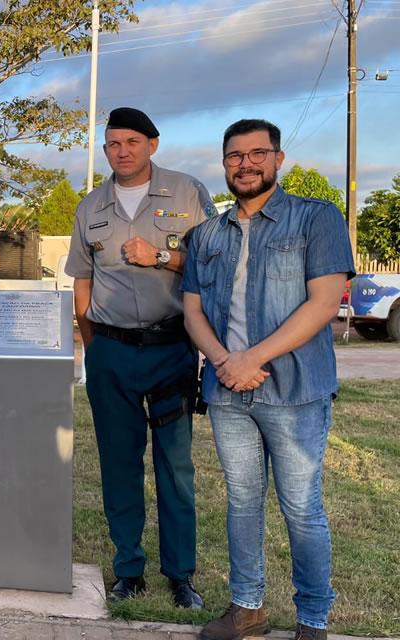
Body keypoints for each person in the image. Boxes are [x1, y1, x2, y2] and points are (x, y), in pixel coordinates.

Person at [182, 119, 354, 640]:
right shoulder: (207, 234)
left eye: (258, 153)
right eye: (235, 156)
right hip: (229, 394)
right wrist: (223, 361)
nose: (246, 164)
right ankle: (248, 607)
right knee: (242, 502)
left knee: (302, 508)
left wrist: (251, 357)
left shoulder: (316, 218)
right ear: (224, 164)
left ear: (279, 159)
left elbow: (324, 304)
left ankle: (313, 620)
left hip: (295, 392)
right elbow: (192, 311)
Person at [64, 107, 216, 609]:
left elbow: (216, 262)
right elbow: (81, 284)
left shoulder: (187, 192)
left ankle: (181, 575)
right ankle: (128, 568)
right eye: (112, 144)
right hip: (110, 351)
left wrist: (164, 257)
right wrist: (93, 346)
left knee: (175, 466)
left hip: (172, 349)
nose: (122, 151)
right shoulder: (90, 207)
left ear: (152, 143)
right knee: (119, 464)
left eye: (131, 141)